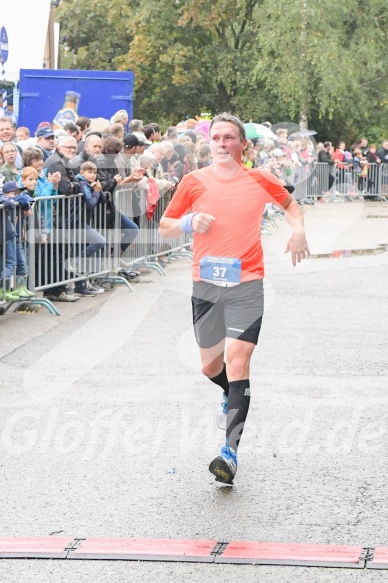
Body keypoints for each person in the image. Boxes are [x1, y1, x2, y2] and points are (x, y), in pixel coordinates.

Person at [159, 113, 310, 485]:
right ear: (209, 144)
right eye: (217, 138)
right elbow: (164, 227)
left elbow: (291, 206)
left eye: (229, 138)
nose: (222, 144)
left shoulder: (260, 179)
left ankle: (229, 453)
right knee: (211, 367)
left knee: (237, 360)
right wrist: (189, 223)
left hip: (247, 283)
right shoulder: (194, 182)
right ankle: (231, 395)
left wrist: (299, 230)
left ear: (244, 145)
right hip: (206, 285)